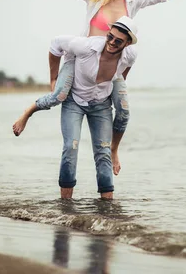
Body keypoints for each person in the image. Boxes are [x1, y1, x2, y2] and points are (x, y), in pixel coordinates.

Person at [12, 0, 186, 177]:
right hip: (81, 62)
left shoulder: (132, 2)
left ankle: (113, 150)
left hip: (110, 68)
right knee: (58, 95)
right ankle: (28, 112)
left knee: (123, 112)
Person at [51, 16, 139, 200]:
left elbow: (123, 71)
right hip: (74, 99)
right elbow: (55, 44)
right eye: (110, 37)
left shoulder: (130, 54)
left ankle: (108, 211)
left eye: (119, 41)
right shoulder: (85, 46)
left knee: (103, 151)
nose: (112, 42)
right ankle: (65, 206)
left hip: (100, 103)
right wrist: (53, 78)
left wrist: (112, 86)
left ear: (128, 43)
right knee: (70, 147)